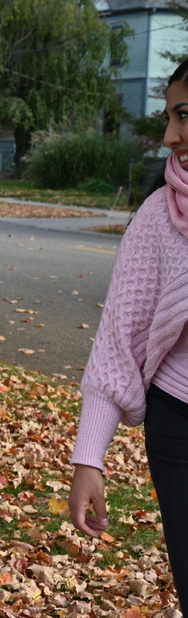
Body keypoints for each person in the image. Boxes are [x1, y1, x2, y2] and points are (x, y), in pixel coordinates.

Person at [68, 58, 188, 603]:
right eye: (168, 117)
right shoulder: (159, 217)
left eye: (184, 116)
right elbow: (118, 342)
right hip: (178, 425)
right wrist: (88, 457)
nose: (170, 137)